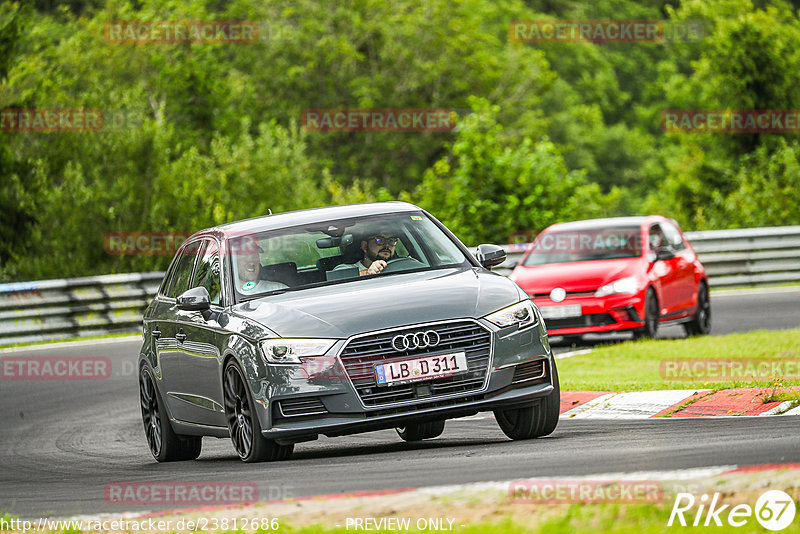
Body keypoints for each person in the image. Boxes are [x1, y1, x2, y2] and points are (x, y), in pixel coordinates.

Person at [334, 230, 399, 276]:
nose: (387, 245)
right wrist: (367, 273)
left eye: (391, 240)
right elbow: (336, 277)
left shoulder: (403, 266)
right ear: (365, 246)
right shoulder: (346, 269)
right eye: (379, 240)